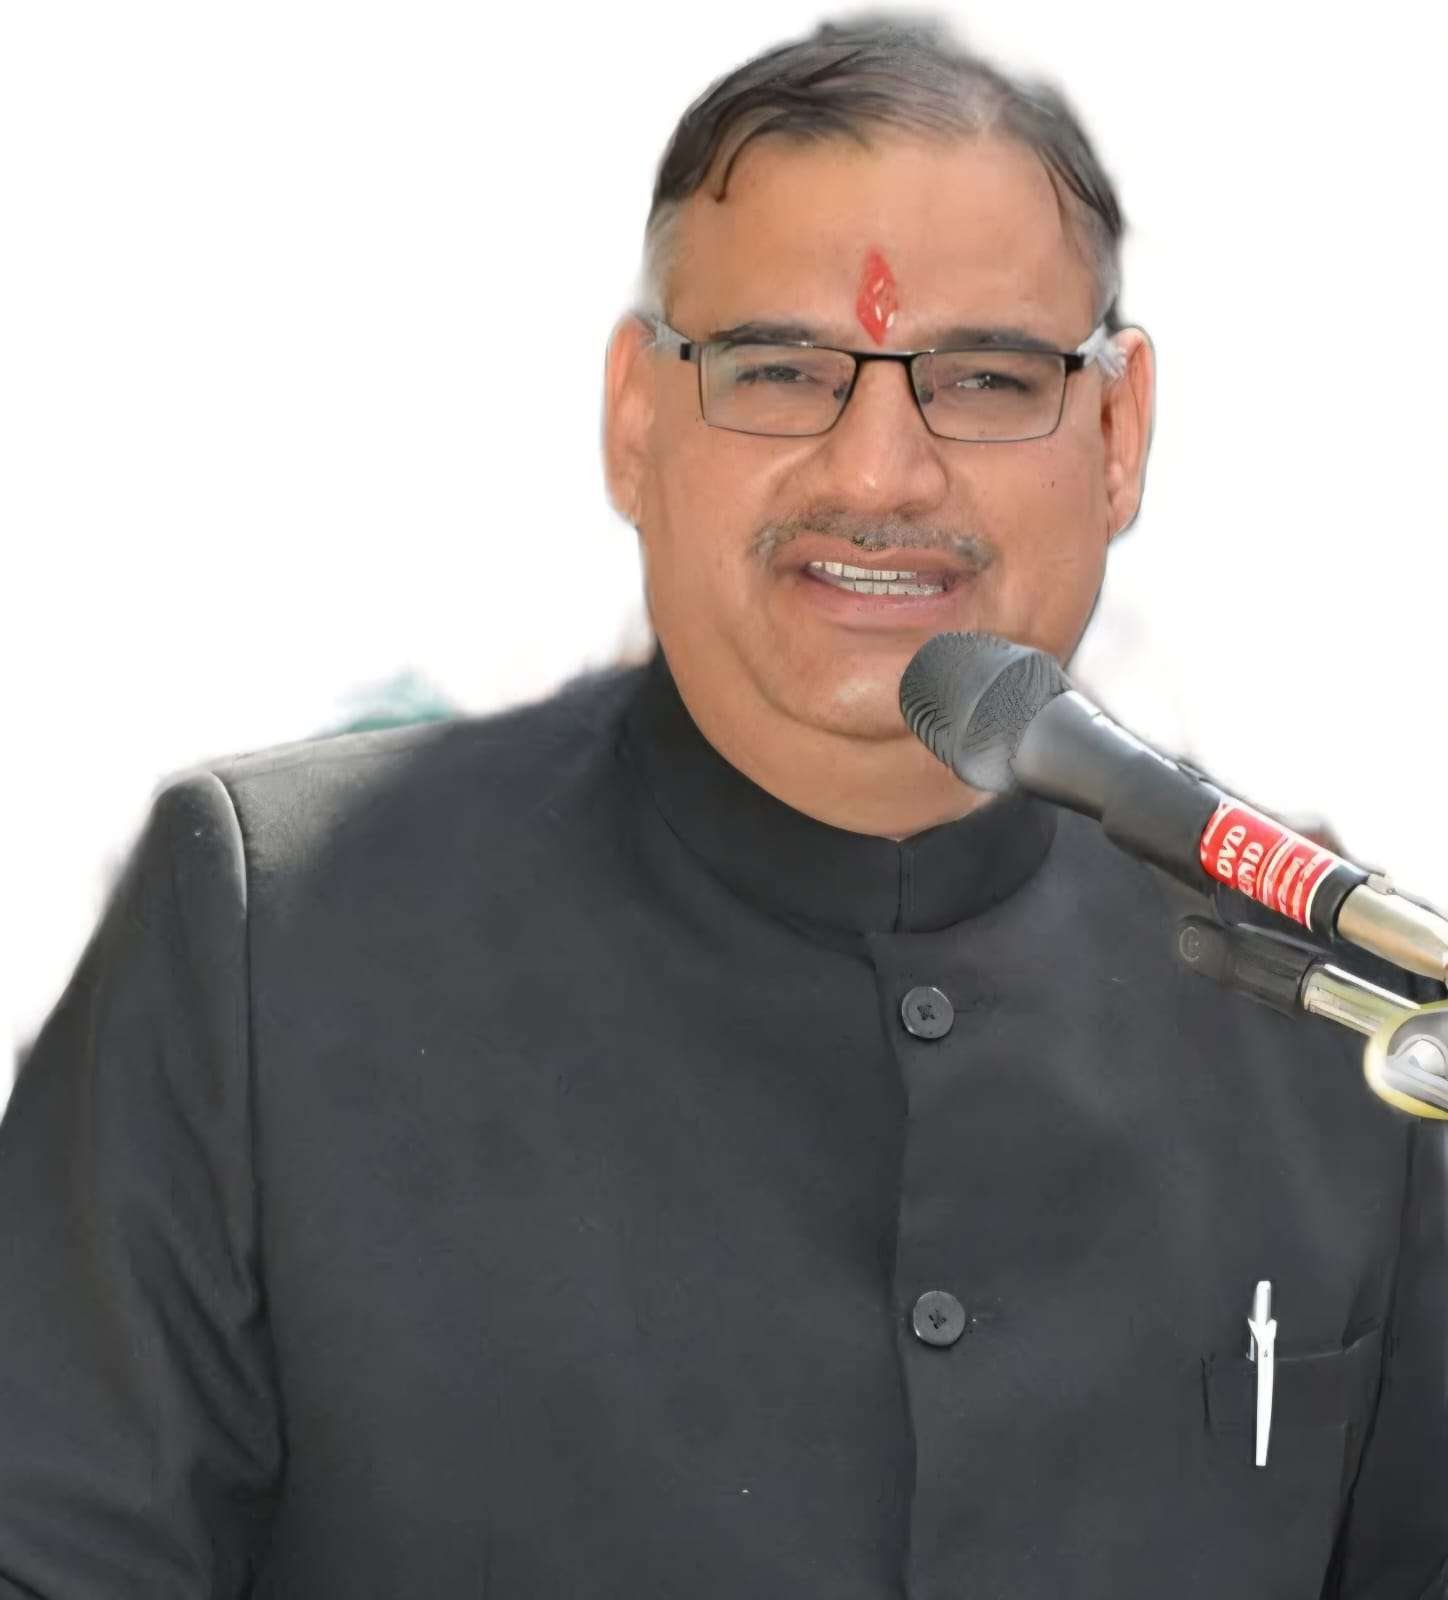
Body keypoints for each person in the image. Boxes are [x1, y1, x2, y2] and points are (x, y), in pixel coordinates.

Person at [1, 15, 1444, 1598]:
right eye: (779, 372)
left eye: (986, 378)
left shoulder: (1343, 1022)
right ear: (635, 420)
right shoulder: (272, 941)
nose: (879, 474)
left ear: (1119, 434)